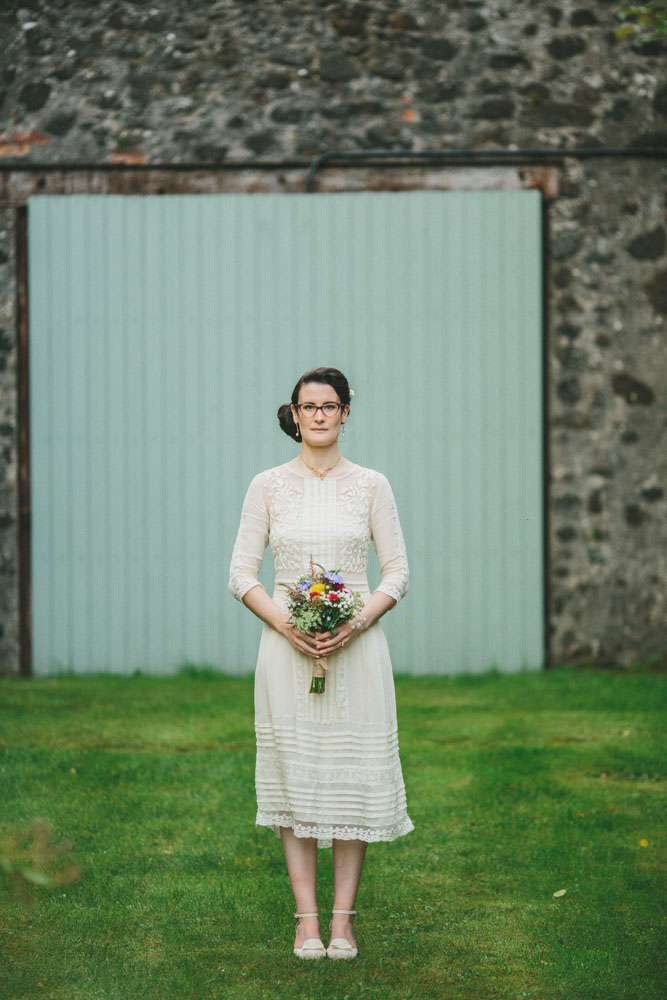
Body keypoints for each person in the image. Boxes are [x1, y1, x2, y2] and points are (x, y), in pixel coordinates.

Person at [228, 366, 414, 960]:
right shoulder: (266, 486)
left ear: (345, 412)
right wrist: (287, 625)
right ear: (294, 414)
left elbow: (397, 573)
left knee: (352, 779)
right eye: (308, 406)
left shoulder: (372, 485)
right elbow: (240, 574)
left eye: (329, 406)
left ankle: (343, 921)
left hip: (358, 650)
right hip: (285, 650)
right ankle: (306, 920)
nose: (318, 416)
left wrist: (355, 622)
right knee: (296, 777)